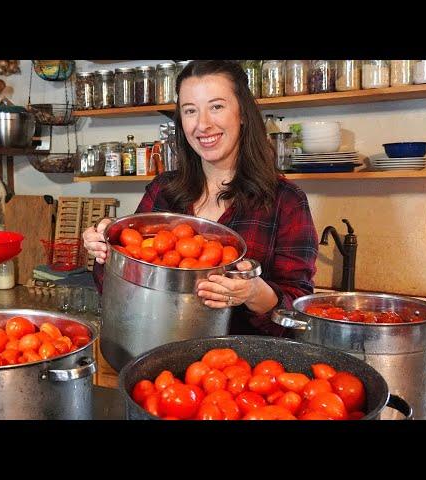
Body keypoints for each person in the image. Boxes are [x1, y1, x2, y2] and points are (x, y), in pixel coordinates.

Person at [83, 60, 318, 335]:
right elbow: (118, 289)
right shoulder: (163, 192)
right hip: (157, 354)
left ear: (242, 113)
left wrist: (254, 293)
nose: (202, 124)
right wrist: (108, 250)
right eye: (190, 111)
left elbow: (297, 316)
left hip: (241, 368)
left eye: (216, 107)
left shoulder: (285, 201)